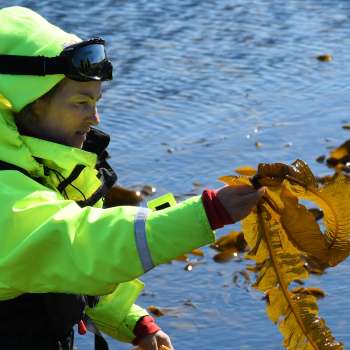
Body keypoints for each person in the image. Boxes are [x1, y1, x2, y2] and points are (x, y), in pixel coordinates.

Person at [0, 6, 265, 350]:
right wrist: (207, 213)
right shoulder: (7, 194)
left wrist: (133, 321)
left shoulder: (44, 170)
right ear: (22, 104)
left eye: (96, 101)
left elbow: (64, 269)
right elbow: (82, 242)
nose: (94, 117)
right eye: (81, 102)